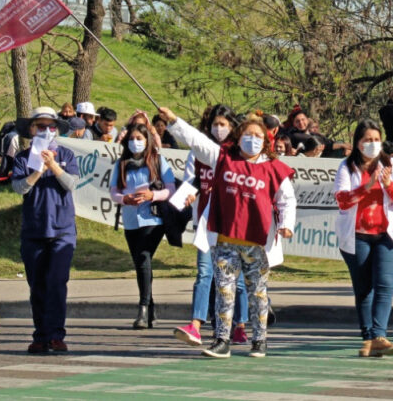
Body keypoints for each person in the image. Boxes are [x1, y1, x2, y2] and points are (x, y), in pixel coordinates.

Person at [163, 108, 296, 360]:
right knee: (224, 291)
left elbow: (287, 200)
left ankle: (260, 340)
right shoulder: (223, 157)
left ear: (265, 141)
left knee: (258, 293)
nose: (252, 139)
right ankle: (221, 339)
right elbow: (197, 141)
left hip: (257, 244)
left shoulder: (274, 169)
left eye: (258, 135)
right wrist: (173, 122)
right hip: (225, 240)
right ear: (238, 136)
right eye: (247, 134)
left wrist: (286, 224)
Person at [173, 105, 251, 347]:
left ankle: (240, 325)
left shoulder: (238, 154)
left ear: (232, 126)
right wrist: (188, 194)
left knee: (234, 279)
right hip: (206, 223)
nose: (219, 129)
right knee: (205, 273)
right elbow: (191, 180)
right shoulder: (197, 152)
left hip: (230, 225)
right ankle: (195, 325)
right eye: (215, 125)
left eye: (224, 125)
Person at [334, 119, 393, 357]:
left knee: (385, 285)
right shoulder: (346, 167)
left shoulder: (390, 164)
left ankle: (379, 335)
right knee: (364, 288)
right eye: (367, 140)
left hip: (386, 235)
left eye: (376, 140)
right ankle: (367, 337)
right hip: (357, 236)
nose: (372, 144)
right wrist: (367, 186)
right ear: (358, 143)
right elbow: (343, 200)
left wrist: (388, 185)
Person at [11, 107, 80, 354]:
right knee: (37, 285)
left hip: (62, 230)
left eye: (51, 126)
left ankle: (56, 335)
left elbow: (72, 183)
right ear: (31, 130)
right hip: (34, 230)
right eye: (40, 126)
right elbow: (19, 188)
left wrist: (54, 166)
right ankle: (41, 334)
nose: (46, 131)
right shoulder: (22, 158)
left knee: (57, 283)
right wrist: (38, 170)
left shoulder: (67, 154)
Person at [109, 123, 176, 329]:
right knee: (140, 264)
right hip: (130, 220)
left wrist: (152, 195)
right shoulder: (121, 164)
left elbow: (171, 189)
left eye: (139, 138)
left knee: (143, 258)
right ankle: (151, 310)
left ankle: (143, 308)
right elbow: (113, 192)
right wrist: (124, 199)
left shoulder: (157, 161)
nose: (135, 142)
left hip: (153, 220)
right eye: (131, 139)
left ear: (147, 140)